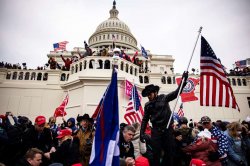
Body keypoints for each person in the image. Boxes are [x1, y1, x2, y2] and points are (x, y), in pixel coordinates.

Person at [140, 71, 188, 166]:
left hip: (167, 130)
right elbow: (145, 119)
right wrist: (141, 133)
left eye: (150, 94)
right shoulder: (147, 105)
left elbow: (176, 93)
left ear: (155, 92)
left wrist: (183, 81)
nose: (149, 96)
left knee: (170, 152)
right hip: (156, 131)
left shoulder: (164, 98)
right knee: (156, 153)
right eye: (147, 95)